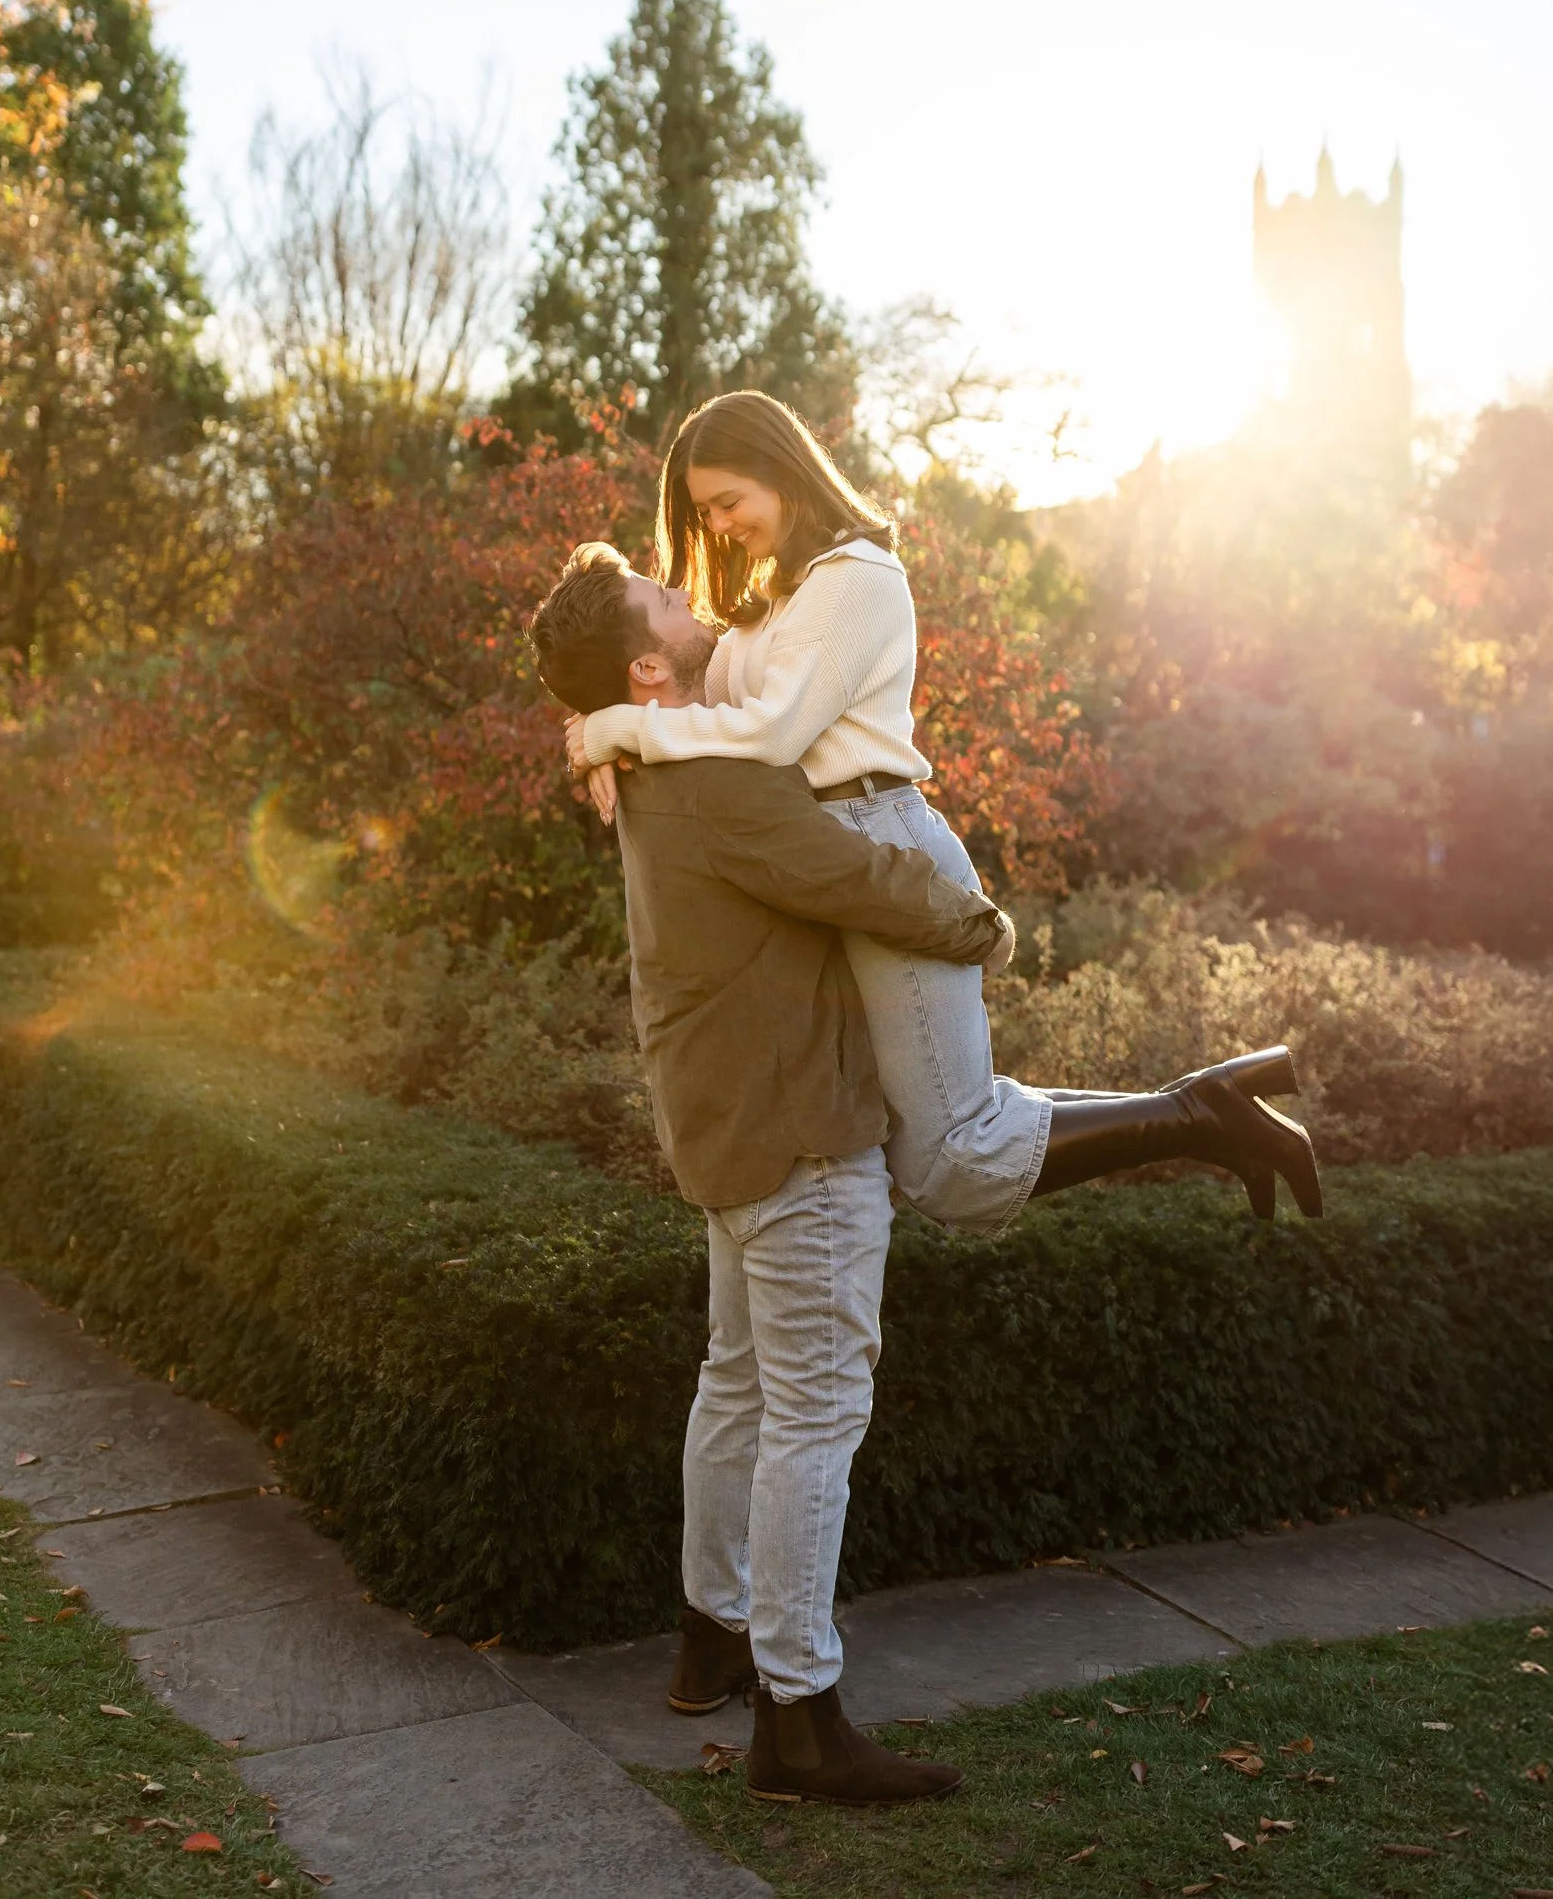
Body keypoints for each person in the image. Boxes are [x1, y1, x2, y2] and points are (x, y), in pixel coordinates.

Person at [528, 546, 1320, 1809]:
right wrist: (979, 923)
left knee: (736, 1389)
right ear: (643, 665)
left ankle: (709, 1638)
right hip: (799, 1139)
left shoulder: (643, 770)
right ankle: (798, 1717)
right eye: (667, 605)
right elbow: (855, 879)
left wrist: (597, 729)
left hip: (723, 1128)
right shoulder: (714, 780)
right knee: (814, 1418)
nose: (695, 602)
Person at [564, 391, 1321, 1234]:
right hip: (815, 853)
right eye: (703, 511)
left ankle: (1197, 1116)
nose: (716, 525)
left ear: (781, 472)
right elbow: (689, 696)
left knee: (953, 1160)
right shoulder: (773, 595)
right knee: (926, 1143)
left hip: (874, 838)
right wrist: (594, 728)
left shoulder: (855, 578)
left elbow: (771, 732)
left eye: (726, 502)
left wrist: (620, 725)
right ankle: (1196, 1105)